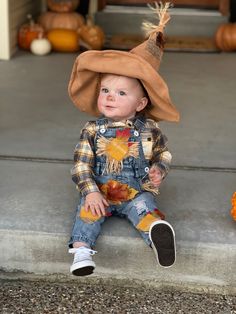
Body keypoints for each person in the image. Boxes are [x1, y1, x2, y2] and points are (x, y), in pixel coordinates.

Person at [67, 3, 180, 276]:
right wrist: (90, 190)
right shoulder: (92, 130)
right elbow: (81, 165)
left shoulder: (149, 130)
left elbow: (163, 153)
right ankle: (82, 251)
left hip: (134, 192)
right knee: (87, 213)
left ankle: (157, 235)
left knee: (145, 209)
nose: (108, 96)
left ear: (140, 103)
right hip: (101, 192)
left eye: (120, 93)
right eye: (105, 89)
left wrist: (159, 169)